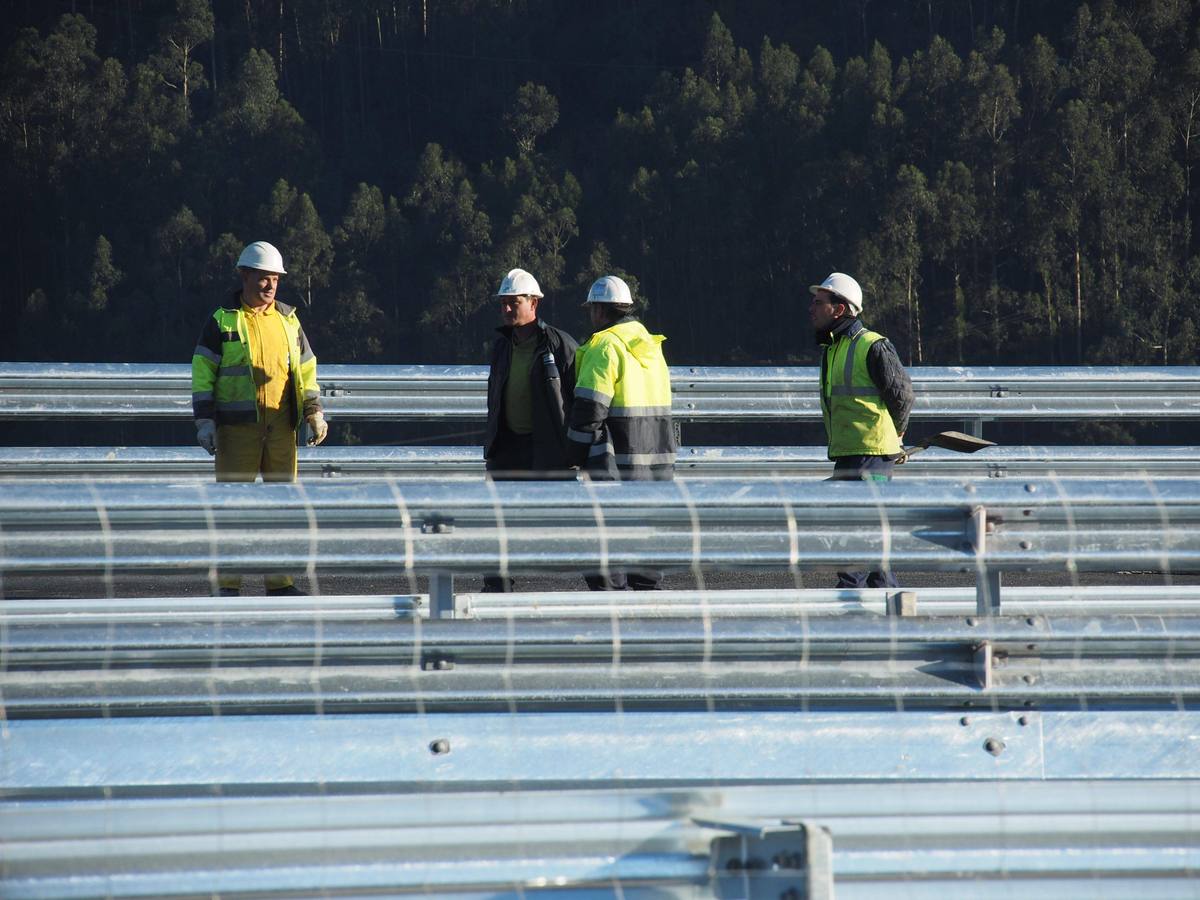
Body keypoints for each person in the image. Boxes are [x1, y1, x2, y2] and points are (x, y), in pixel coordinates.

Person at [191, 240, 327, 597]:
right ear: (244, 275)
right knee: (232, 509)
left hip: (281, 429)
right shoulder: (223, 320)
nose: (270, 286)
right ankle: (227, 585)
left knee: (282, 508)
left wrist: (314, 413)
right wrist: (204, 422)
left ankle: (280, 583)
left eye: (275, 280)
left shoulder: (288, 320)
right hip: (236, 431)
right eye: (263, 278)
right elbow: (202, 373)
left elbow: (306, 370)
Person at [567, 275, 676, 590]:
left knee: (603, 554)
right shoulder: (652, 349)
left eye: (592, 310)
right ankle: (648, 621)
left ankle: (615, 620)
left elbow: (589, 409)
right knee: (645, 550)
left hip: (614, 469)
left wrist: (572, 455)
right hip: (656, 467)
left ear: (600, 311)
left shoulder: (604, 345)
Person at [810, 271, 913, 589]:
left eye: (819, 301)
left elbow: (902, 395)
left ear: (839, 309)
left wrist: (896, 436)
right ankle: (887, 608)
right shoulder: (834, 348)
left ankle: (850, 596)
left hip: (871, 454)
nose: (812, 307)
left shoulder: (872, 345)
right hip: (850, 453)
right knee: (868, 537)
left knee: (858, 530)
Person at [482, 267, 578, 592]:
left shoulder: (559, 345)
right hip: (507, 446)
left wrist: (574, 445)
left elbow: (577, 395)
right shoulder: (501, 347)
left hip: (546, 448)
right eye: (504, 303)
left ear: (534, 303)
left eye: (515, 302)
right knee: (496, 521)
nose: (508, 309)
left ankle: (604, 585)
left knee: (570, 524)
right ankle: (498, 588)